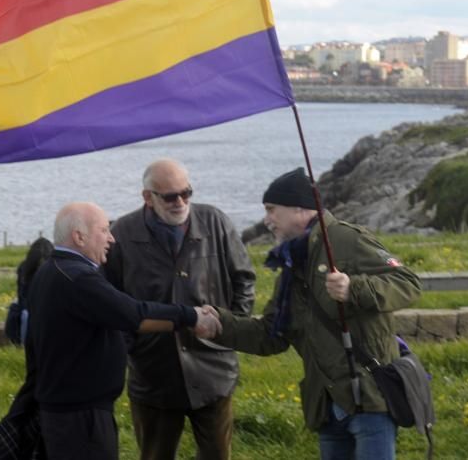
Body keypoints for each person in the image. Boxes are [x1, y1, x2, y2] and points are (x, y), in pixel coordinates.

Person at [210, 168, 422, 460]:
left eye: (272, 210)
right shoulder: (290, 261)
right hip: (325, 404)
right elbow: (272, 336)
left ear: (300, 209)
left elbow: (408, 283)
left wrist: (353, 288)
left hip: (371, 398)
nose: (267, 220)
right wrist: (218, 326)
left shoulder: (347, 239)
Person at [27, 202, 223, 460]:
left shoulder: (51, 270)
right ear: (79, 236)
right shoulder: (79, 278)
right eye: (104, 230)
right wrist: (191, 315)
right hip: (80, 414)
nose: (111, 238)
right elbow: (133, 314)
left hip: (64, 406)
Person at [105, 158, 255, 460]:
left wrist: (230, 329)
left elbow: (245, 279)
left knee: (217, 455)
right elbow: (112, 301)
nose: (181, 201)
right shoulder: (121, 233)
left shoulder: (216, 222)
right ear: (148, 197)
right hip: (153, 374)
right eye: (170, 196)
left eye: (187, 192)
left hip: (215, 369)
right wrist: (133, 348)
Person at [4, 236, 54, 345]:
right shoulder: (25, 270)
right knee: (26, 315)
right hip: (30, 309)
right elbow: (23, 297)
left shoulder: (53, 271)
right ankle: (24, 345)